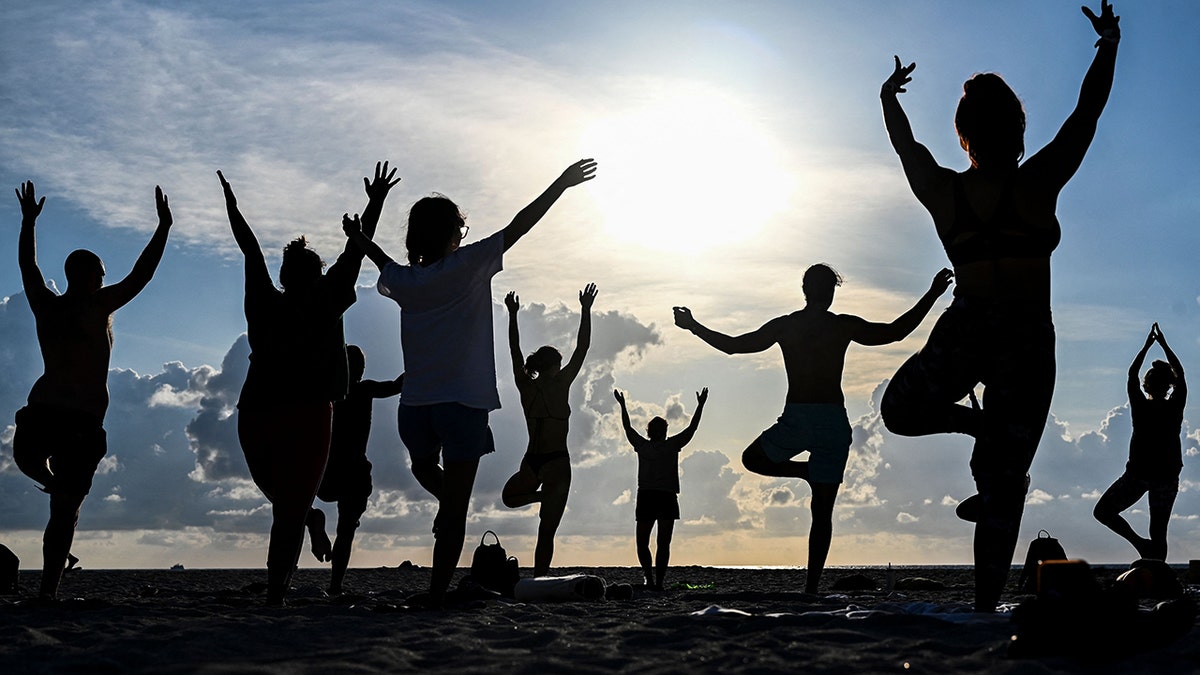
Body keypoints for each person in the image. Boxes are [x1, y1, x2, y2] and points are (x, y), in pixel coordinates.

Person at [877, 1, 1120, 611]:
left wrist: (890, 98)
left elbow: (906, 147)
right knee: (1005, 480)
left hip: (968, 328)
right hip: (1025, 338)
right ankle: (985, 604)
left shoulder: (943, 191)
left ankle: (977, 432)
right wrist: (1109, 44)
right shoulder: (1037, 182)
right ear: (1016, 129)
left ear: (964, 134)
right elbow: (1087, 114)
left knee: (902, 411)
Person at [343, 158, 597, 606]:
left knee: (423, 468)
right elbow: (521, 224)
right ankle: (438, 591)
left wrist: (366, 225)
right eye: (459, 229)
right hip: (462, 405)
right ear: (452, 233)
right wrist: (561, 182)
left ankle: (447, 514)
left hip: (416, 406)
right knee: (457, 506)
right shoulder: (469, 264)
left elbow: (376, 257)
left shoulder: (406, 279)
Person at [675, 265, 953, 594]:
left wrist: (694, 326)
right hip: (830, 421)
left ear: (805, 289)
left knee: (760, 465)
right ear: (826, 291)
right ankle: (810, 586)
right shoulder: (837, 325)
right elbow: (895, 332)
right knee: (820, 512)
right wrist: (932, 295)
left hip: (802, 418)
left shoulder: (792, 325)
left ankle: (807, 491)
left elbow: (734, 345)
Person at [218, 162, 399, 606]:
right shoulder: (324, 294)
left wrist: (232, 206)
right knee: (290, 509)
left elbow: (250, 249)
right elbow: (355, 251)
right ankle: (278, 587)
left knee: (287, 505)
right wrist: (375, 201)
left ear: (285, 276)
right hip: (301, 414)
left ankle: (280, 586)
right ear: (315, 274)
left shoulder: (272, 297)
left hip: (262, 411)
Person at [13, 180, 173, 600]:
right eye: (100, 274)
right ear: (88, 276)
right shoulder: (66, 306)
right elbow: (29, 268)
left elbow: (140, 275)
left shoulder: (73, 305)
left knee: (63, 509)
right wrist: (163, 228)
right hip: (49, 411)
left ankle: (48, 589)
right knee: (37, 472)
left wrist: (163, 229)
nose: (104, 280)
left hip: (77, 422)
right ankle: (52, 489)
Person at [500, 284, 597, 577]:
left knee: (541, 526)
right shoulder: (559, 383)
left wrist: (513, 315)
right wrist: (585, 310)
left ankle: (539, 577)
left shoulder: (526, 385)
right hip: (551, 461)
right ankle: (539, 575)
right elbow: (582, 348)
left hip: (537, 460)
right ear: (553, 366)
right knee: (537, 523)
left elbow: (514, 351)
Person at [305, 344, 404, 595]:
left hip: (328, 471)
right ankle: (335, 585)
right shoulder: (364, 389)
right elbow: (396, 385)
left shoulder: (327, 393)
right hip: (353, 472)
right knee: (346, 531)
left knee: (299, 505)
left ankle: (311, 521)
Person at [1094, 323, 1186, 561]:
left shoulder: (1145, 406)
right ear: (1168, 385)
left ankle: (1147, 552)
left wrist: (1148, 346)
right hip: (1148, 474)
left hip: (1149, 474)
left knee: (1106, 512)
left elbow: (1131, 374)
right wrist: (1163, 345)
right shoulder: (1170, 406)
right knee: (1158, 530)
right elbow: (1180, 375)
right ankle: (1146, 550)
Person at [614, 387, 708, 591]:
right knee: (661, 543)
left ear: (649, 432)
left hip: (650, 496)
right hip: (664, 497)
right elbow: (692, 429)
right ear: (664, 432)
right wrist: (700, 406)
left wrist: (623, 406)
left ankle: (651, 578)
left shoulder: (644, 445)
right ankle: (657, 582)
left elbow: (627, 428)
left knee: (644, 542)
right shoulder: (670, 445)